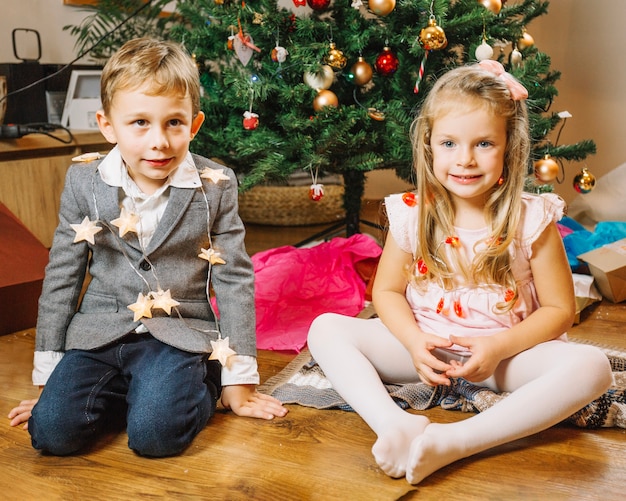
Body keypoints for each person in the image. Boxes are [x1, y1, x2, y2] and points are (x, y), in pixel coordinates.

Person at [307, 60, 613, 484]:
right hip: (426, 351)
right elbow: (388, 293)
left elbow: (561, 310)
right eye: (449, 143)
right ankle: (393, 424)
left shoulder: (532, 218)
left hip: (505, 358)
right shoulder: (412, 213)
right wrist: (414, 343)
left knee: (593, 366)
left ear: (509, 146)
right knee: (325, 328)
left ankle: (458, 441)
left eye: (484, 144)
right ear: (429, 144)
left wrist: (500, 348)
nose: (464, 160)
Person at [8, 38, 287, 457]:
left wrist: (238, 381)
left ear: (194, 125)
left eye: (174, 123)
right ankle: (129, 395)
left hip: (178, 334)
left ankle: (196, 383)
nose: (159, 141)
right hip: (100, 334)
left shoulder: (217, 184)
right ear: (107, 125)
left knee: (156, 437)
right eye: (139, 122)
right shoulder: (85, 181)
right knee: (52, 433)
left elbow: (234, 279)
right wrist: (50, 382)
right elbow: (63, 276)